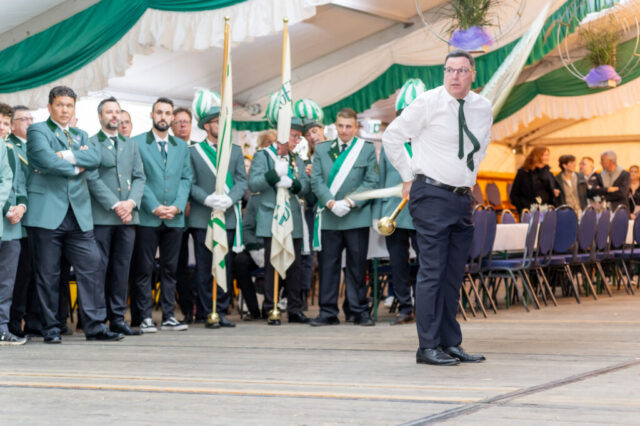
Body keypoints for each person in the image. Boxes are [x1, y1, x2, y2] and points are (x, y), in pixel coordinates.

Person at [382, 50, 491, 366]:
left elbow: (481, 146)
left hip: (462, 197)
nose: (455, 76)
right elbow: (392, 137)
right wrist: (408, 176)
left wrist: (468, 179)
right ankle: (427, 346)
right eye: (449, 70)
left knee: (453, 273)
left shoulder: (483, 107)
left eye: (462, 70)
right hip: (430, 193)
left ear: (472, 74)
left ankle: (450, 342)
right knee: (432, 270)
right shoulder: (427, 102)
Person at [24, 86, 123, 343]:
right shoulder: (38, 131)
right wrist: (77, 166)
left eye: (69, 105)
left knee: (92, 267)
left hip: (79, 215)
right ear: (50, 107)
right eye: (59, 105)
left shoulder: (81, 134)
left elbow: (96, 158)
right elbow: (46, 161)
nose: (64, 110)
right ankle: (50, 328)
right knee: (48, 274)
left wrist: (66, 156)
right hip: (46, 214)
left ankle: (96, 326)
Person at [310, 107, 379, 327]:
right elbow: (316, 180)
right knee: (327, 266)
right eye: (340, 126)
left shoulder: (366, 149)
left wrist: (349, 202)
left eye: (348, 126)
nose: (344, 130)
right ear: (335, 126)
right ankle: (327, 311)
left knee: (357, 266)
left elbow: (372, 181)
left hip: (356, 216)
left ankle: (358, 310)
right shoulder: (322, 149)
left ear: (356, 127)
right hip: (330, 217)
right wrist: (330, 202)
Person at [130, 97, 193, 333]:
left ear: (172, 117)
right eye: (159, 112)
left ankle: (168, 316)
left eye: (167, 113)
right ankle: (145, 317)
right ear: (152, 115)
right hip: (148, 216)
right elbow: (138, 177)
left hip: (175, 217)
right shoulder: (137, 143)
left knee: (171, 269)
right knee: (144, 268)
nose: (163, 117)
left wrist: (177, 206)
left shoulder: (181, 147)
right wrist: (153, 205)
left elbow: (186, 178)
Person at [87, 97, 146, 336]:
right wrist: (115, 204)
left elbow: (140, 176)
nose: (114, 116)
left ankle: (118, 319)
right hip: (103, 216)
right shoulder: (91, 143)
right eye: (109, 112)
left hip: (128, 217)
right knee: (99, 270)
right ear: (100, 116)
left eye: (117, 111)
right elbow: (91, 177)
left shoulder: (130, 144)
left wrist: (130, 203)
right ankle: (99, 321)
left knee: (122, 269)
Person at [187, 106, 247, 328]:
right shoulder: (194, 152)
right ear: (206, 125)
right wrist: (206, 199)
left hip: (227, 216)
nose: (222, 126)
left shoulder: (235, 151)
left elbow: (241, 181)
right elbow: (189, 182)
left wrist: (230, 199)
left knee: (225, 265)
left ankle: (220, 310)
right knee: (204, 268)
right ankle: (206, 312)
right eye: (217, 122)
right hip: (202, 216)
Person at [248, 117, 311, 325]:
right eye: (294, 136)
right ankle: (271, 307)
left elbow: (305, 187)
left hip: (292, 216)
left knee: (295, 266)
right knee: (272, 264)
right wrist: (274, 175)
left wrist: (292, 183)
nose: (296, 141)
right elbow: (254, 184)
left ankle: (294, 309)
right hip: (270, 215)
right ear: (282, 134)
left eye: (298, 138)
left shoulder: (297, 159)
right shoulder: (263, 156)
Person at [0, 103, 27, 345]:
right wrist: (5, 207)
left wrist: (21, 206)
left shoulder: (10, 150)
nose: (2, 127)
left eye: (6, 123)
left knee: (7, 281)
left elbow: (19, 185)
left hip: (11, 226)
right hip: (3, 214)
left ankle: (2, 327)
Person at [6, 106, 33, 337]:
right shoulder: (10, 146)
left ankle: (14, 323)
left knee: (20, 276)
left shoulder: (28, 147)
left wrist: (22, 206)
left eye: (31, 119)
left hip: (22, 220)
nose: (29, 123)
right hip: (8, 219)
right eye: (23, 119)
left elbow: (21, 185)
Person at [232, 196, 264, 321]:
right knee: (240, 261)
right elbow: (245, 229)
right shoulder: (255, 199)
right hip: (255, 247)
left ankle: (270, 307)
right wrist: (256, 248)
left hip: (275, 249)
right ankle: (253, 309)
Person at [509, 146, 560, 214]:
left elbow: (552, 193)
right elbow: (514, 195)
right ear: (537, 156)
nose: (548, 158)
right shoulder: (523, 173)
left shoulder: (549, 174)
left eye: (548, 155)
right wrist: (523, 208)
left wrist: (554, 193)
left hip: (546, 210)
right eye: (545, 155)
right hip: (529, 211)